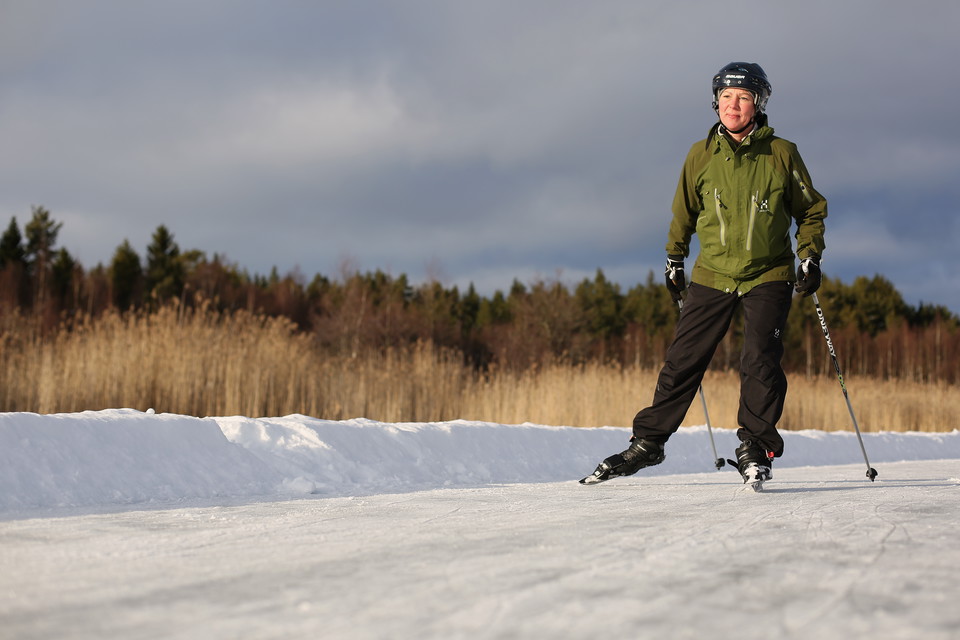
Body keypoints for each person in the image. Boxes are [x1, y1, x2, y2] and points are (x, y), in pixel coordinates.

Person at [584, 62, 827, 487]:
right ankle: (649, 442)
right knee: (683, 359)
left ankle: (757, 446)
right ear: (715, 102)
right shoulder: (700, 154)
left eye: (744, 97)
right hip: (713, 273)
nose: (734, 105)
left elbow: (810, 210)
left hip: (768, 273)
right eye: (727, 97)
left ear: (759, 104)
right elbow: (684, 212)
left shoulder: (782, 153)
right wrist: (674, 258)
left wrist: (809, 255)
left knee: (760, 361)